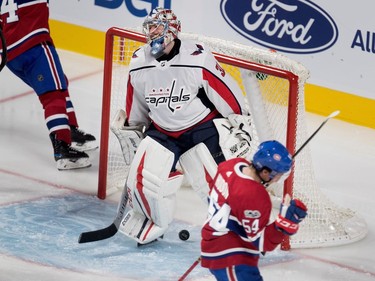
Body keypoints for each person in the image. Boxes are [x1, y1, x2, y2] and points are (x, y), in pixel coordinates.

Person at [114, 7, 250, 245]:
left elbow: (225, 91)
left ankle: (233, 227)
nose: (152, 32)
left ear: (173, 31)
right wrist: (134, 128)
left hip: (201, 128)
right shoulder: (139, 62)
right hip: (162, 130)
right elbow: (136, 100)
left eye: (158, 27)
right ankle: (152, 224)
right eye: (150, 27)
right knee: (145, 181)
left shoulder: (197, 57)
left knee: (215, 184)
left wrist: (240, 121)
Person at [0, 0, 96, 170]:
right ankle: (62, 149)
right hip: (33, 42)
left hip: (10, 52)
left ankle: (69, 129)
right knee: (53, 92)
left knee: (59, 81)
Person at [200, 140, 308, 281]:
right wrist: (285, 224)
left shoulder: (231, 165)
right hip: (231, 256)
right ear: (265, 172)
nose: (277, 180)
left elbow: (228, 197)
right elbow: (260, 242)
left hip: (216, 241)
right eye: (277, 175)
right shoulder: (255, 196)